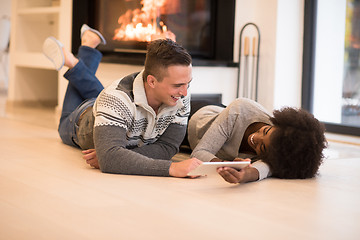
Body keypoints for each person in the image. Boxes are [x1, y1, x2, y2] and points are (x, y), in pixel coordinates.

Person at [42, 24, 202, 178]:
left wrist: (120, 155)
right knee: (64, 124)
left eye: (188, 83)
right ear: (152, 82)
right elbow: (110, 159)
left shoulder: (180, 94)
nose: (185, 92)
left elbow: (168, 147)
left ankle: (83, 51)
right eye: (178, 85)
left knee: (110, 99)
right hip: (82, 121)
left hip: (115, 109)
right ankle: (75, 59)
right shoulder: (115, 99)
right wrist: (171, 168)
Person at [186, 98, 327, 184]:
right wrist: (227, 166)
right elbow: (199, 153)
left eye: (263, 148)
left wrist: (245, 175)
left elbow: (266, 169)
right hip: (195, 116)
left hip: (188, 143)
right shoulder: (241, 108)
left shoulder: (275, 155)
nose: (256, 138)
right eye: (266, 131)